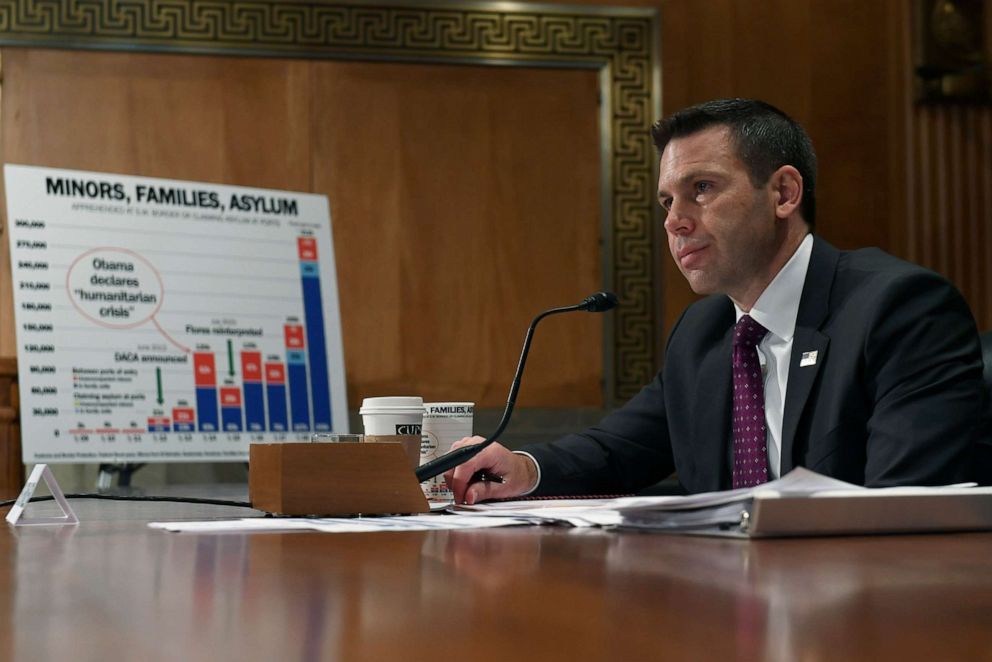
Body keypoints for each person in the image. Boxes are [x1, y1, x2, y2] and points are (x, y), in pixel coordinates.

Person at [445, 98, 992, 504]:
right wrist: (524, 467)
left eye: (701, 189)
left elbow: (909, 510)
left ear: (783, 193)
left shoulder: (899, 309)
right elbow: (620, 447)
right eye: (667, 200)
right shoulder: (704, 331)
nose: (675, 221)